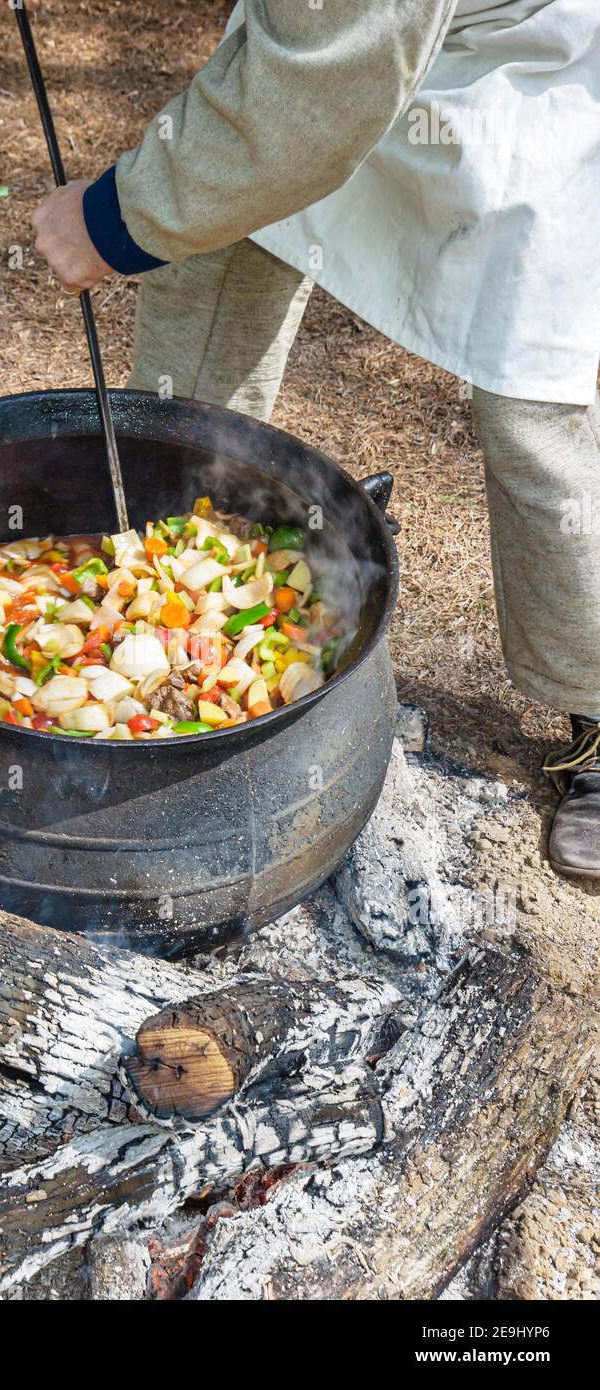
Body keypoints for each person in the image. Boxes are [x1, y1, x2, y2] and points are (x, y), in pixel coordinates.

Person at [31, 0, 600, 877]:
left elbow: (319, 91)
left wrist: (114, 220)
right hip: (335, 54)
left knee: (537, 400)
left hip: (535, 62)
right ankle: (162, 560)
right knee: (215, 247)